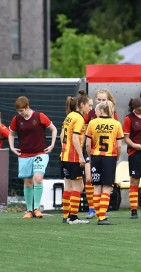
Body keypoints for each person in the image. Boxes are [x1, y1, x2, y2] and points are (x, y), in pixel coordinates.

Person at [8, 96, 57, 218]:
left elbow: (54, 129)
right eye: (18, 111)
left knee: (38, 178)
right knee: (28, 182)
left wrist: (51, 145)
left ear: (27, 107)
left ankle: (37, 208)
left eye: (22, 111)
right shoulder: (16, 119)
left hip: (40, 153)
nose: (20, 113)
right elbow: (11, 133)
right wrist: (12, 147)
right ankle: (29, 210)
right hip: (24, 155)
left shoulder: (40, 116)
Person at [83, 88, 119, 219]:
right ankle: (94, 209)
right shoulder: (89, 114)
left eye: (104, 99)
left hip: (97, 153)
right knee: (92, 181)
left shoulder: (113, 116)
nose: (101, 101)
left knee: (97, 183)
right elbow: (85, 135)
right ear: (95, 99)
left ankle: (98, 211)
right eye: (99, 99)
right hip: (95, 152)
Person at [60, 91, 93, 224]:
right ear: (83, 104)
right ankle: (73, 217)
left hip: (64, 155)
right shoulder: (79, 118)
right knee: (78, 187)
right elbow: (74, 138)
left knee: (68, 187)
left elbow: (63, 136)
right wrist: (80, 156)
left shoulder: (70, 116)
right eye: (89, 106)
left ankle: (65, 216)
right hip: (72, 157)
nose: (90, 109)